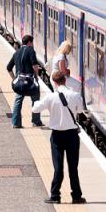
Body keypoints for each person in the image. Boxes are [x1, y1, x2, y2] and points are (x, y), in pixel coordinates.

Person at [33, 70, 86, 204]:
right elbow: (80, 110)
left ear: (54, 82)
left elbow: (35, 109)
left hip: (57, 136)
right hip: (72, 136)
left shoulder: (51, 97)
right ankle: (76, 196)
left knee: (58, 167)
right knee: (73, 167)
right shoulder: (75, 95)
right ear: (65, 80)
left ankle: (55, 195)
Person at [7, 34, 44, 129]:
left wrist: (14, 78)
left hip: (20, 82)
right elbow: (35, 65)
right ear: (29, 42)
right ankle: (36, 121)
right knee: (35, 100)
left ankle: (16, 123)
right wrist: (35, 76)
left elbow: (8, 68)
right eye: (32, 43)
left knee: (18, 101)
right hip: (30, 82)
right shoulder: (30, 50)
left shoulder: (16, 52)